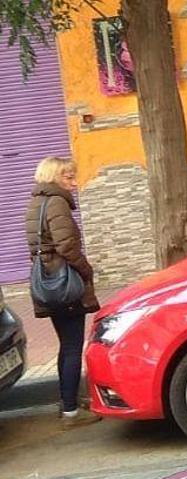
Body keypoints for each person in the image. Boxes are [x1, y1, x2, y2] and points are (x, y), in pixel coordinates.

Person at [24, 157, 101, 429]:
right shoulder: (56, 203)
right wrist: (85, 269)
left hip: (49, 283)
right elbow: (67, 246)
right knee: (71, 346)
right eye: (68, 177)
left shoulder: (36, 203)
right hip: (65, 284)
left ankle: (67, 400)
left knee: (65, 344)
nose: (74, 182)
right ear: (55, 177)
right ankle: (70, 411)